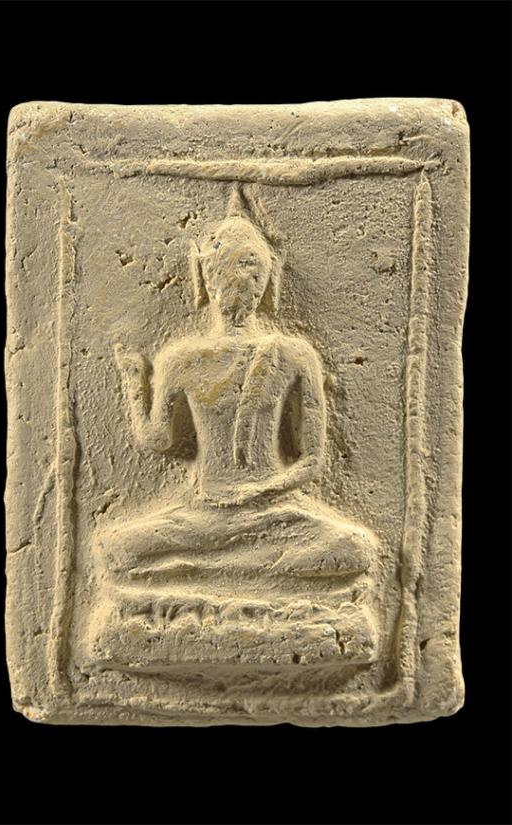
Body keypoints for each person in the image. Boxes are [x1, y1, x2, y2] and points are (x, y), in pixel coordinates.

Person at [97, 186, 377, 584]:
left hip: (274, 513)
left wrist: (260, 492)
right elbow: (158, 439)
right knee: (116, 550)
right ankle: (243, 569)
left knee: (355, 548)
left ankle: (199, 572)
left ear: (268, 277)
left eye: (250, 266)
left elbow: (313, 461)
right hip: (205, 512)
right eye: (228, 267)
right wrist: (134, 382)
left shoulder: (294, 355)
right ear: (205, 276)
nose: (241, 277)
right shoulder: (181, 358)